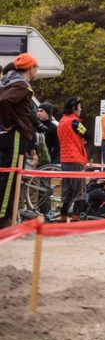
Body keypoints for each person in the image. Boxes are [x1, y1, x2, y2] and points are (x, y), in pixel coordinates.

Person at [0, 53, 39, 227]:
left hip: (12, 134)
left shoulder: (9, 81)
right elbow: (4, 101)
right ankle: (4, 218)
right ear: (30, 68)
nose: (37, 70)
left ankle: (7, 215)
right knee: (11, 176)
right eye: (36, 67)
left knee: (8, 175)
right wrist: (8, 124)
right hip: (15, 134)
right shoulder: (21, 85)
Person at [57, 97, 88, 221]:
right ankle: (75, 216)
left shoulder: (61, 122)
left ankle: (63, 215)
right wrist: (84, 139)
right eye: (79, 107)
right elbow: (87, 134)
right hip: (76, 159)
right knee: (79, 190)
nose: (81, 110)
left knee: (66, 189)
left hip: (64, 158)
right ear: (74, 108)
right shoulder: (75, 122)